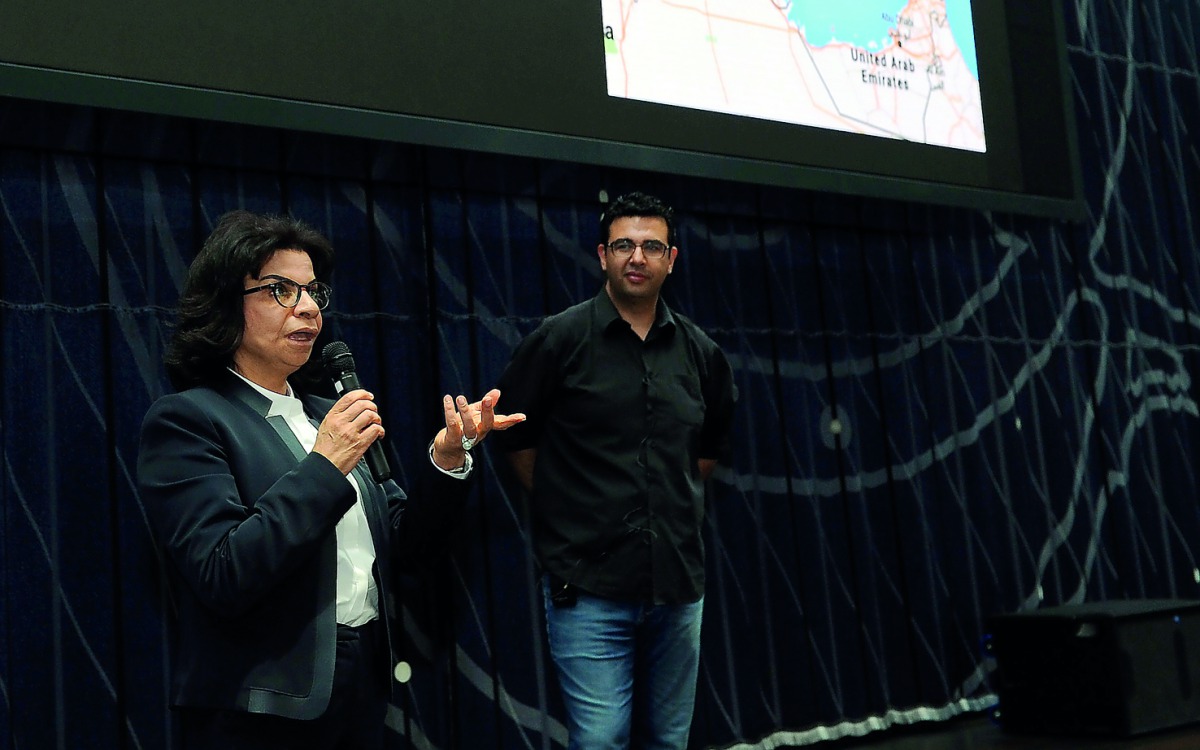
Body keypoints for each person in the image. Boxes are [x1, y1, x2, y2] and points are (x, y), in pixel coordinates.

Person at [137, 209, 523, 750]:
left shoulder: (329, 414)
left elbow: (408, 548)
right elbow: (224, 571)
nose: (310, 308)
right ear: (228, 301)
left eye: (314, 290)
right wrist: (325, 465)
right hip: (259, 704)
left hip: (360, 681)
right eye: (280, 290)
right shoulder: (188, 420)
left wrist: (445, 460)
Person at [493, 192, 737, 749]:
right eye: (624, 245)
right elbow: (516, 440)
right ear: (602, 255)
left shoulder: (703, 354)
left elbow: (705, 454)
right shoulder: (559, 340)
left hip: (678, 587)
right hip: (589, 588)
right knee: (601, 740)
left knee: (669, 741)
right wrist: (569, 507)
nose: (637, 257)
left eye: (652, 247)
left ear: (671, 260)